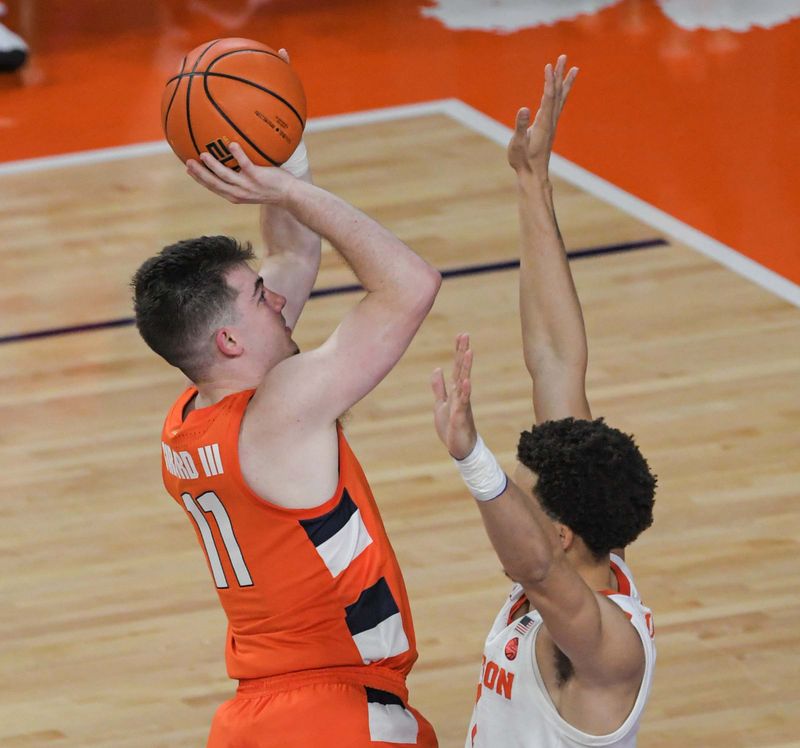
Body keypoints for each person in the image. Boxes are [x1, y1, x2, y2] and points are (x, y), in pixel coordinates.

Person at [131, 71, 441, 745]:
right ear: (230, 339)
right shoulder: (282, 411)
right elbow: (411, 286)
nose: (279, 298)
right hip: (334, 714)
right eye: (259, 298)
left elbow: (292, 252)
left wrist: (279, 159)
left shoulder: (189, 416)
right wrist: (294, 190)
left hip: (252, 720)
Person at [431, 56, 657, 747]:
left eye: (527, 500)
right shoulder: (582, 545)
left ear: (560, 535)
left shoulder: (604, 648)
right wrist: (533, 182)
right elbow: (557, 355)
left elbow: (529, 564)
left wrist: (473, 459)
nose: (518, 507)